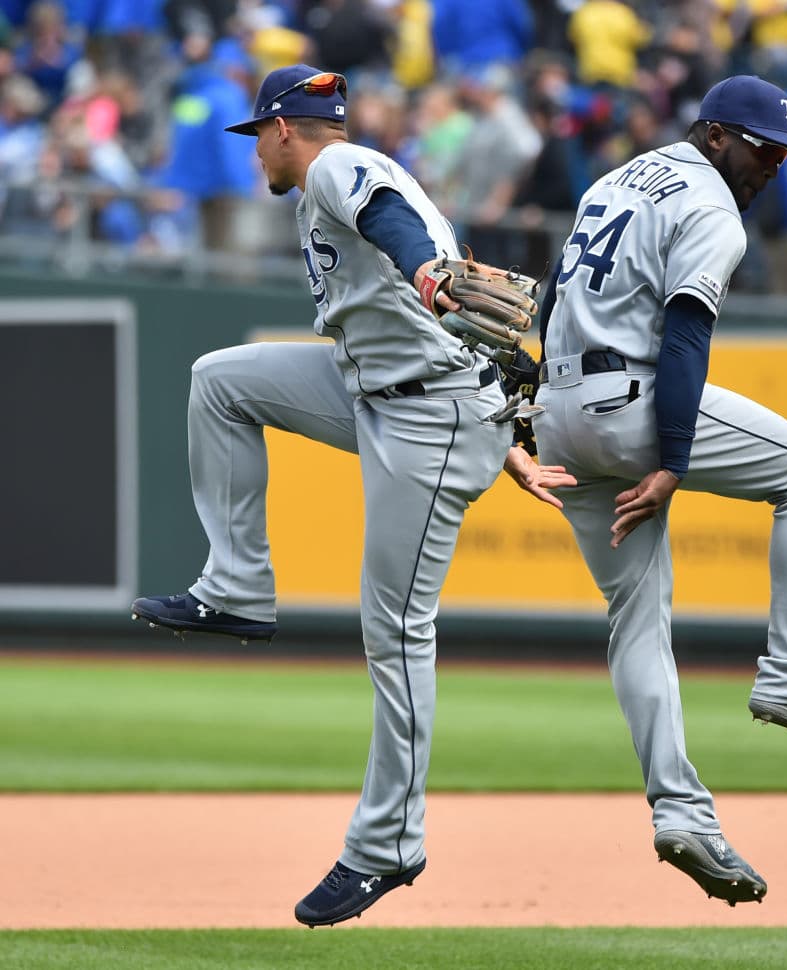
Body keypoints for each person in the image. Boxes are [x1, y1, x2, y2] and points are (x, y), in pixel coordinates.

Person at [129, 63, 575, 927]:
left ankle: (388, 846)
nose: (257, 147)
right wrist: (503, 439)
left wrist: (430, 273)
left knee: (396, 631)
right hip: (389, 391)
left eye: (258, 131)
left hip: (425, 415)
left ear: (286, 129)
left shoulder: (335, 166)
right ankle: (235, 590)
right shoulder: (328, 180)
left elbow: (395, 223)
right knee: (221, 380)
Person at [531, 74, 787, 908]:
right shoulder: (711, 203)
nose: (771, 169)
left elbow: (545, 304)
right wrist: (672, 460)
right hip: (635, 403)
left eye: (784, 156)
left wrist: (528, 417)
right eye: (762, 149)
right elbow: (685, 335)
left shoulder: (616, 178)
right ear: (715, 134)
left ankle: (680, 812)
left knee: (637, 619)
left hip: (558, 413)